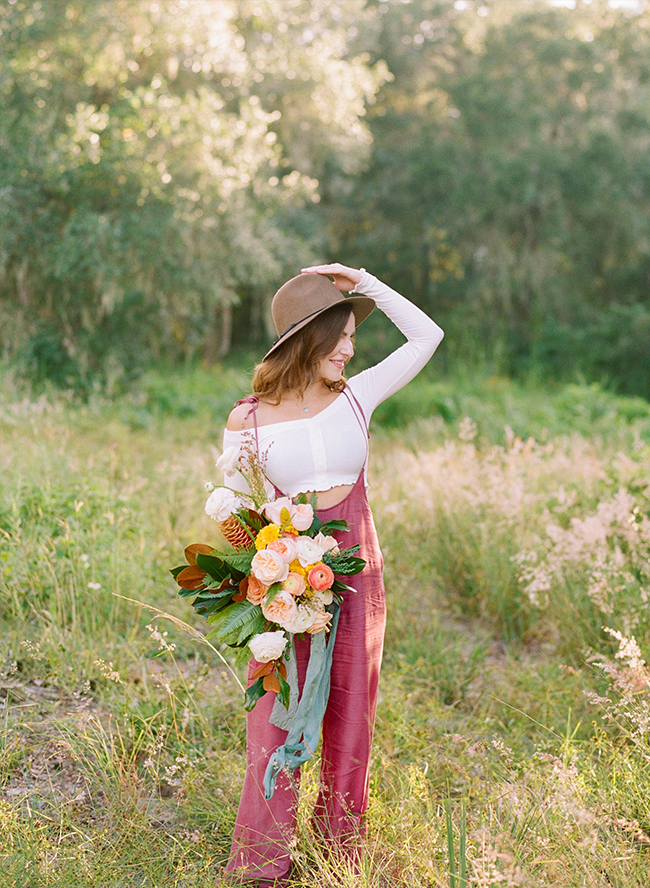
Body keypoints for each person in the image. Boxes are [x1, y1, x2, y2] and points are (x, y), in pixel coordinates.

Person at [221, 263, 444, 886]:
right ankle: (264, 864)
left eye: (353, 336)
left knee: (351, 711)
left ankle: (337, 855)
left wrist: (367, 283)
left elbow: (427, 337)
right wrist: (265, 578)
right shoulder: (249, 420)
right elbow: (237, 513)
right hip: (285, 578)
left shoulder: (358, 395)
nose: (350, 348)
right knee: (276, 713)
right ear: (306, 338)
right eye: (340, 336)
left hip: (358, 571)